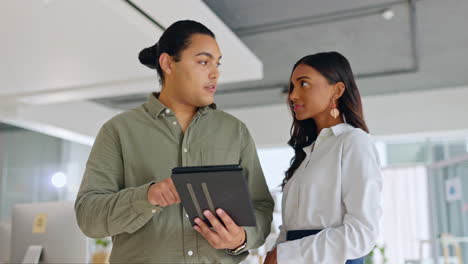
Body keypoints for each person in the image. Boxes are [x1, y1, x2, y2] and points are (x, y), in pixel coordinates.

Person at [75, 20, 274, 264]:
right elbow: (88, 216)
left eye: (217, 63)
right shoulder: (118, 131)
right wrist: (147, 197)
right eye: (203, 61)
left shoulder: (235, 132)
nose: (215, 73)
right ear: (168, 63)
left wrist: (242, 238)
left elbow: (262, 208)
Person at [264, 52, 383, 264]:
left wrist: (288, 254)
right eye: (292, 86)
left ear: (337, 90)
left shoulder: (353, 142)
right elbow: (290, 228)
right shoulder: (306, 154)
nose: (292, 95)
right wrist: (276, 252)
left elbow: (362, 233)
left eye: (304, 84)